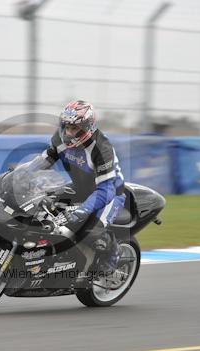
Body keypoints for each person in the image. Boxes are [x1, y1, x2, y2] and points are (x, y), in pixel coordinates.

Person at [24, 100, 126, 272]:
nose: (69, 132)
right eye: (67, 126)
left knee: (90, 232)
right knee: (44, 207)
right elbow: (46, 159)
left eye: (75, 128)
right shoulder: (59, 137)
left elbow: (107, 189)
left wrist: (83, 210)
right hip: (81, 186)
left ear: (88, 128)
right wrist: (22, 174)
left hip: (109, 192)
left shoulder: (101, 149)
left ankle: (113, 252)